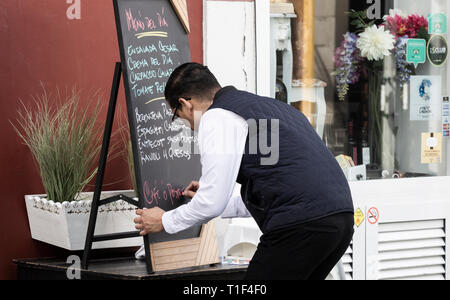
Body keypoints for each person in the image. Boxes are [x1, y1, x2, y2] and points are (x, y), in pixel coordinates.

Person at [134, 63, 354, 280]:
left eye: (178, 116)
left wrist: (165, 221)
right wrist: (210, 197)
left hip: (300, 225)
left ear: (185, 104)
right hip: (340, 220)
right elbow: (276, 188)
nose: (188, 125)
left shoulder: (215, 116)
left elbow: (212, 202)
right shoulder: (273, 108)